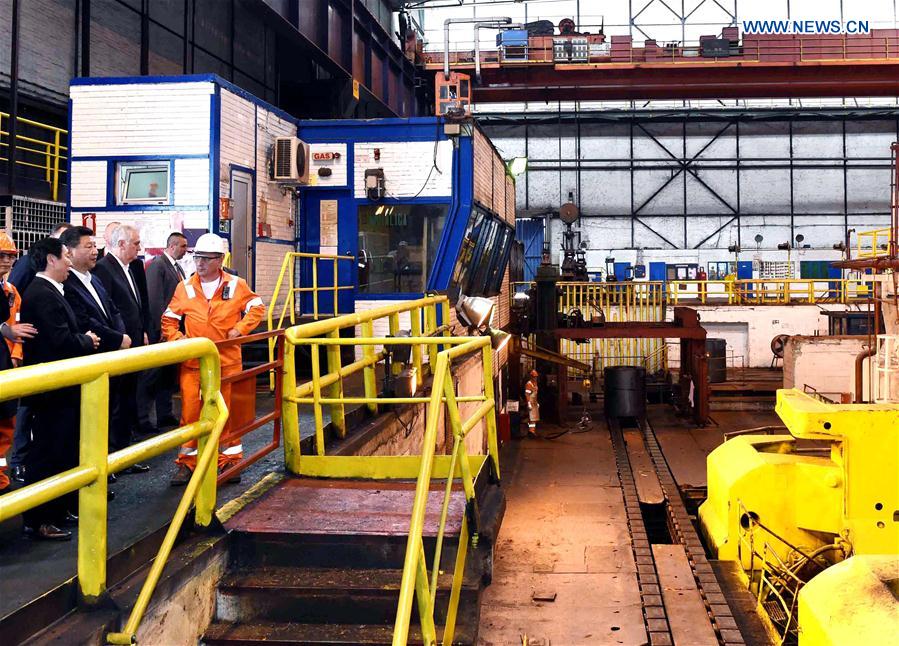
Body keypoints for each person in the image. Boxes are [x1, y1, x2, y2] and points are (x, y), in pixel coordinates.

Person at [162, 233, 264, 485]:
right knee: (190, 414)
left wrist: (240, 329)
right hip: (193, 364)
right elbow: (169, 318)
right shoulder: (184, 287)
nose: (200, 264)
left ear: (220, 260)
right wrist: (178, 341)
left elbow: (257, 306)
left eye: (207, 259)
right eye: (197, 258)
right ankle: (187, 463)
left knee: (227, 412)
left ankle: (230, 460)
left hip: (226, 362)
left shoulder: (236, 285)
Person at [20, 237, 100, 540]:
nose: (70, 262)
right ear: (51, 259)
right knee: (46, 452)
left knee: (63, 448)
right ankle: (40, 518)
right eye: (66, 256)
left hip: (63, 388)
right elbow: (59, 340)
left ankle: (58, 509)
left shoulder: (54, 291)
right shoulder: (41, 294)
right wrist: (86, 341)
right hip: (51, 390)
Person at [60, 227, 144, 480]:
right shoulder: (69, 283)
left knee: (113, 411)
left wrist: (122, 335)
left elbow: (112, 310)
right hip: (95, 357)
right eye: (88, 246)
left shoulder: (93, 278)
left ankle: (112, 460)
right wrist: (118, 338)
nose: (94, 251)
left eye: (94, 245)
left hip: (114, 354)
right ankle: (95, 469)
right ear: (69, 252)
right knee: (93, 418)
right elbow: (85, 321)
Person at [7, 221, 73, 483]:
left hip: (21, 358)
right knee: (30, 423)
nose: (69, 259)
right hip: (33, 366)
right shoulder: (34, 282)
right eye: (65, 253)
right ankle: (18, 465)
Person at [93, 225, 151, 466]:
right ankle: (113, 455)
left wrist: (142, 331)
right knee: (116, 402)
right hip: (118, 347)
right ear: (120, 245)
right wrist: (119, 338)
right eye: (135, 244)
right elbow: (107, 311)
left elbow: (135, 304)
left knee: (128, 400)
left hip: (133, 341)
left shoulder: (129, 268)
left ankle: (123, 453)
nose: (140, 248)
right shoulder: (105, 269)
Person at [139, 232, 188, 430]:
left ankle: (165, 414)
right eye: (183, 246)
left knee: (168, 375)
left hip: (173, 330)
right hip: (161, 331)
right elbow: (155, 298)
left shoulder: (178, 269)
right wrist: (161, 328)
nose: (186, 251)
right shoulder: (158, 266)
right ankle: (143, 418)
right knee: (152, 376)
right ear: (173, 245)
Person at [0, 233, 37, 492]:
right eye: (1, 256)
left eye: (10, 257)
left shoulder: (12, 292)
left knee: (6, 428)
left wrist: (16, 356)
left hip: (7, 368)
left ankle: (1, 476)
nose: (6, 261)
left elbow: (18, 327)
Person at [524, 369, 540, 438]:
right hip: (531, 402)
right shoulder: (529, 384)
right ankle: (531, 431)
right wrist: (528, 403)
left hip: (534, 402)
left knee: (534, 418)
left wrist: (537, 403)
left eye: (536, 377)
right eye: (534, 377)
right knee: (532, 418)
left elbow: (535, 394)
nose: (535, 378)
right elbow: (527, 394)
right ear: (531, 377)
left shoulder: (535, 383)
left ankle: (531, 431)